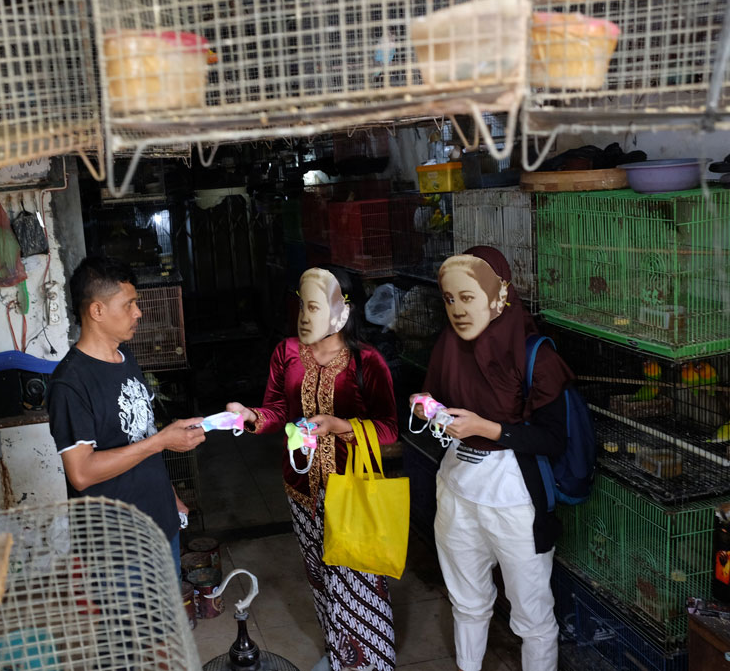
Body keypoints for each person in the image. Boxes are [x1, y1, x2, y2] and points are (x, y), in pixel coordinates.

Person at [226, 267, 400, 671]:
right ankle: (338, 653)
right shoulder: (287, 353)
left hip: (352, 491)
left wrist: (340, 426)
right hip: (302, 489)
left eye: (315, 306)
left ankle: (370, 663)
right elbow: (277, 410)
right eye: (302, 305)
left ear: (342, 310)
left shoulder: (367, 361)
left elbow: (390, 428)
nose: (304, 316)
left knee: (357, 582)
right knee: (321, 577)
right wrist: (250, 416)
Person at [410, 246, 574, 671]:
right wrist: (426, 405)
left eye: (468, 297)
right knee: (467, 602)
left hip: (514, 499)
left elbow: (554, 439)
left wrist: (489, 429)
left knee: (532, 616)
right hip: (457, 489)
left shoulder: (536, 356)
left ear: (499, 295)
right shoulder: (449, 346)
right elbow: (437, 397)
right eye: (450, 299)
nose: (458, 310)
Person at [47, 256, 205, 575]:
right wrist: (161, 442)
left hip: (160, 523)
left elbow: (143, 434)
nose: (138, 312)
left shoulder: (124, 357)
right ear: (97, 311)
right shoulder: (70, 384)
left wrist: (169, 495)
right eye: (129, 304)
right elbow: (81, 473)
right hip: (119, 548)